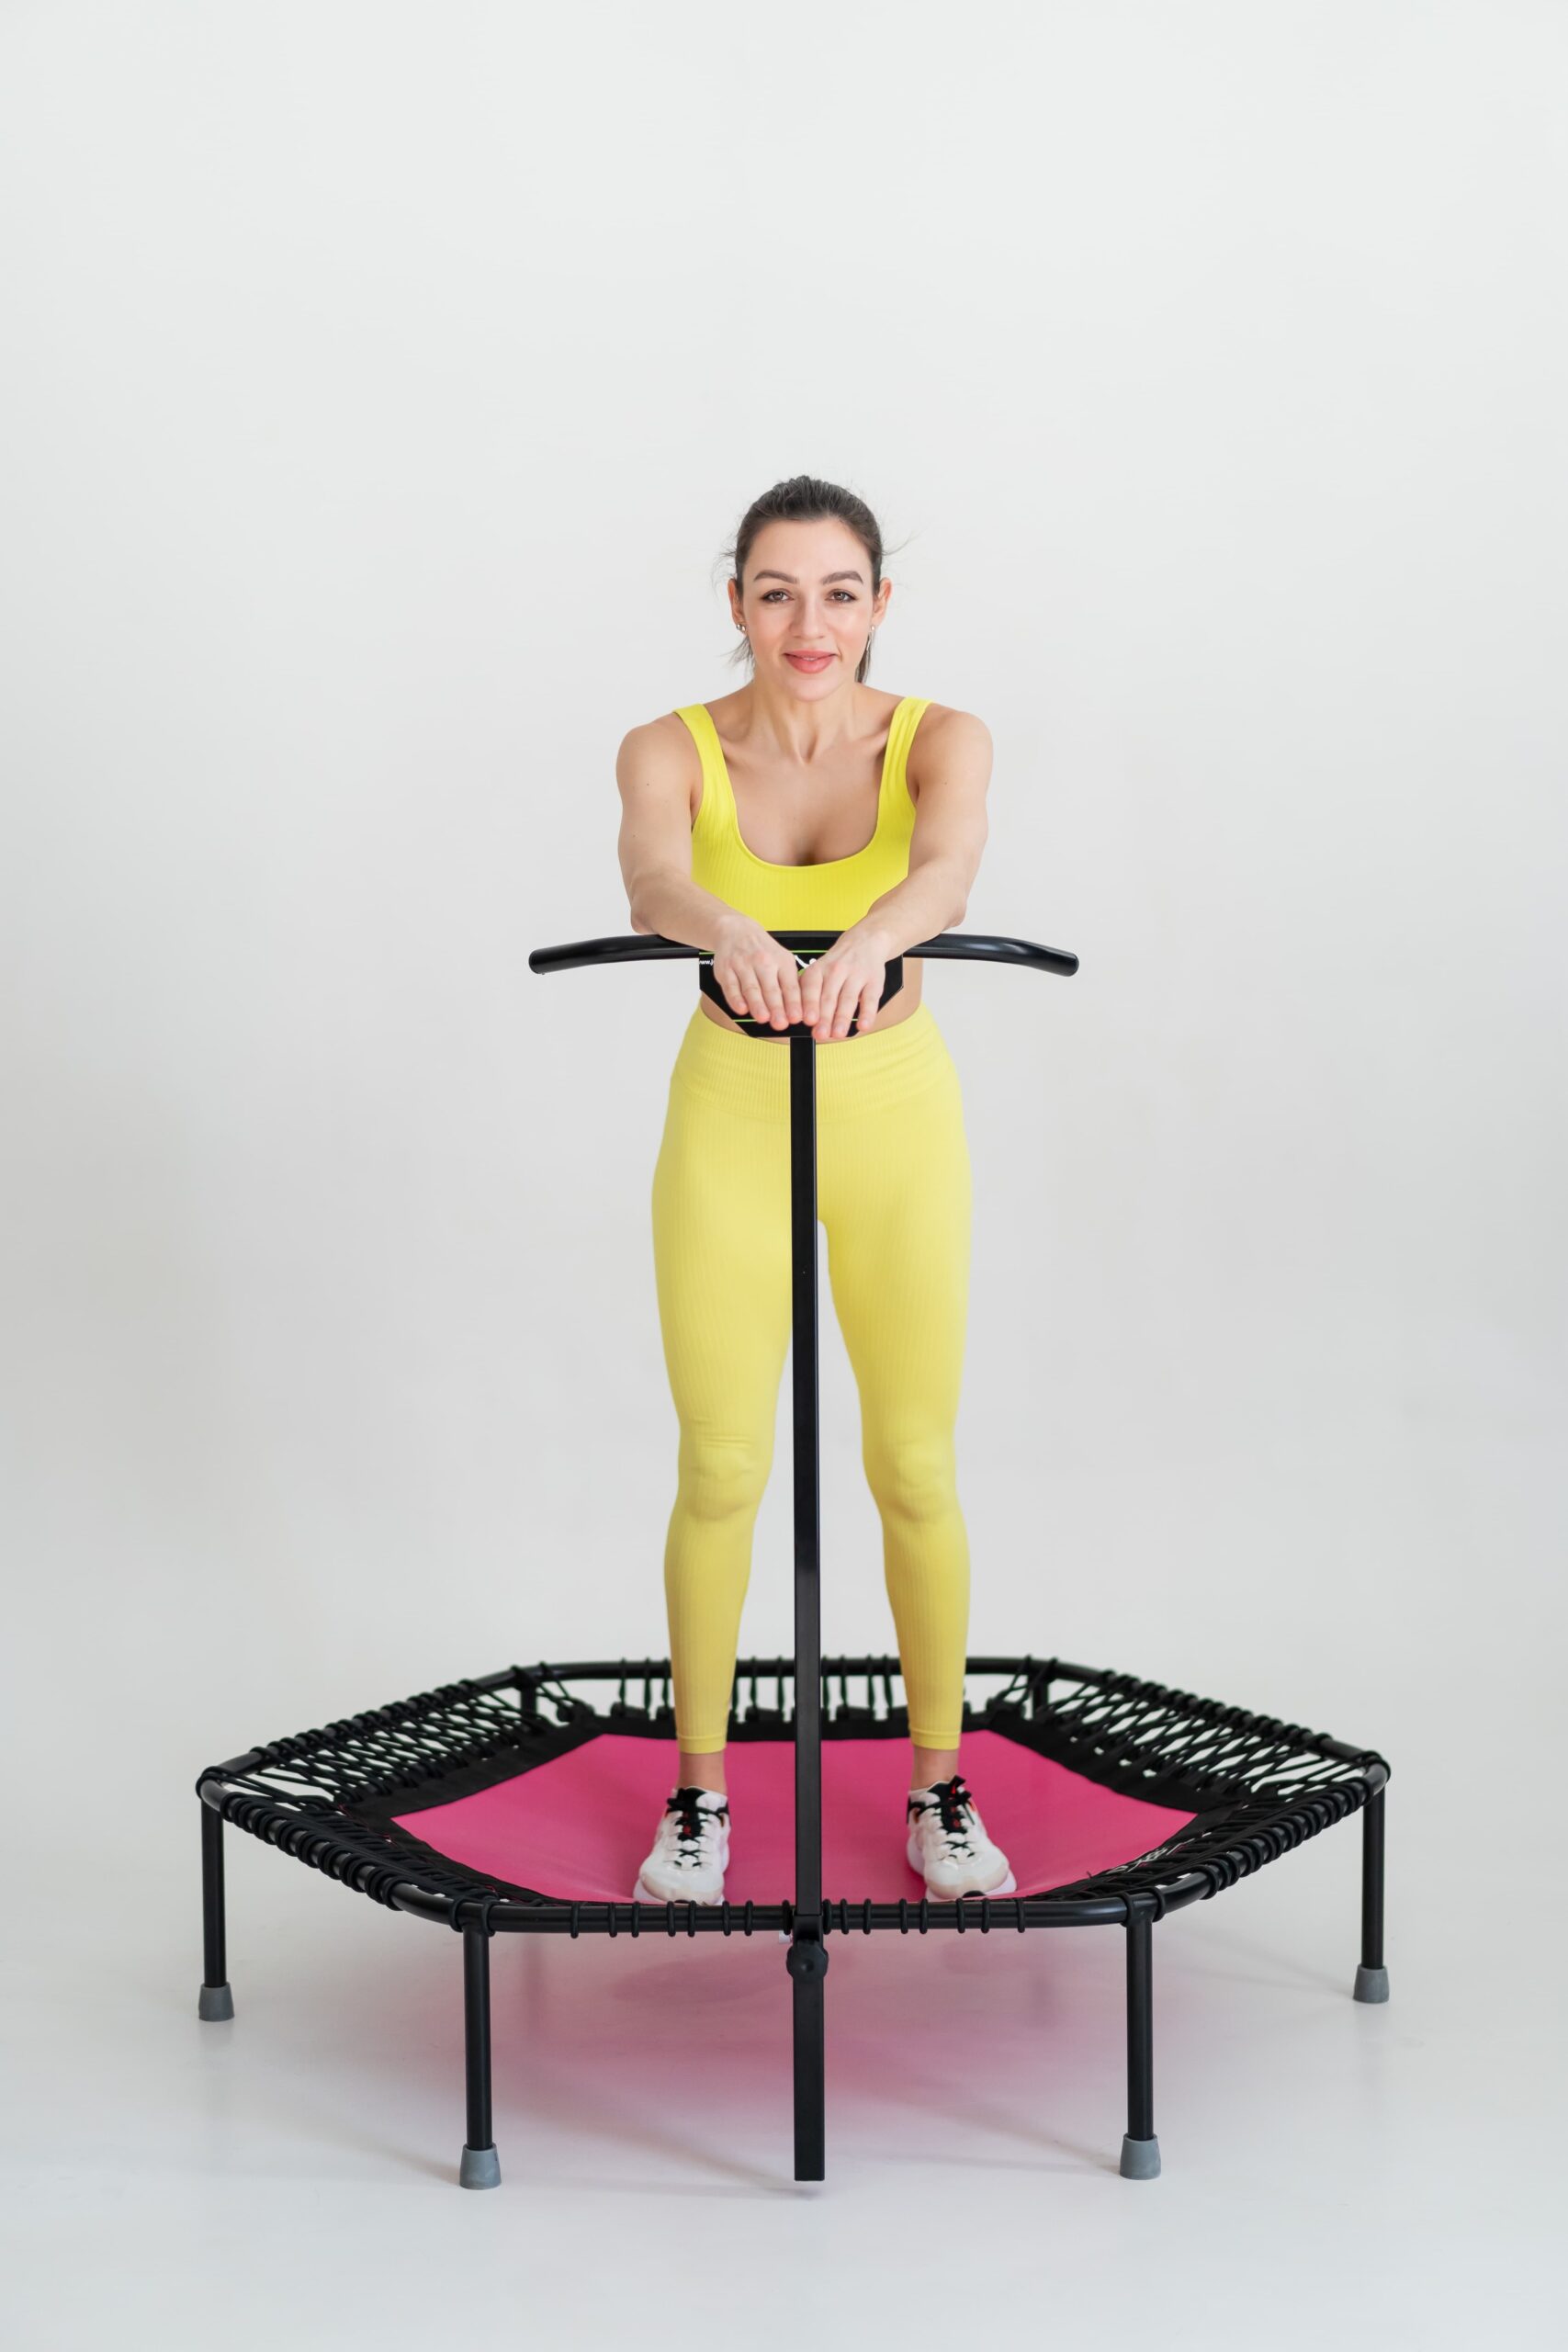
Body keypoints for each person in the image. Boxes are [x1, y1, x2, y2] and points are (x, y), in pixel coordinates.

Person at [615, 474, 1014, 1907]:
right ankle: (700, 1796)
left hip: (892, 1110)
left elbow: (952, 867)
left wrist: (872, 937)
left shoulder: (940, 737)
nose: (809, 622)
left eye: (840, 593)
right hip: (731, 1107)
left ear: (879, 604)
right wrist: (727, 925)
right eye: (776, 592)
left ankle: (938, 1786)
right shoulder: (668, 746)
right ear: (736, 603)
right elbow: (654, 874)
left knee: (913, 1464)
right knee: (722, 1465)